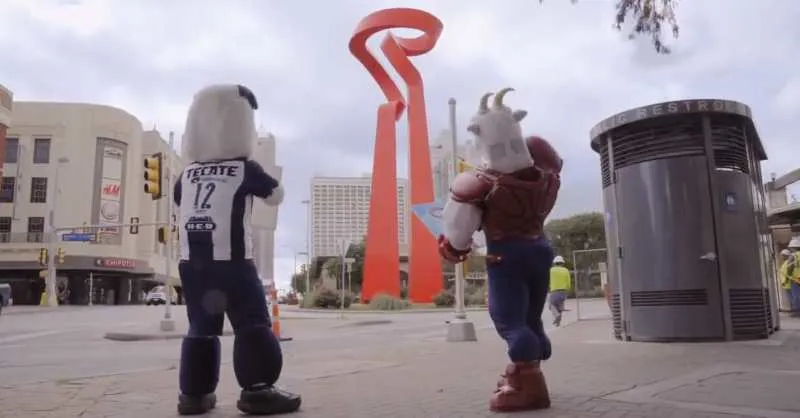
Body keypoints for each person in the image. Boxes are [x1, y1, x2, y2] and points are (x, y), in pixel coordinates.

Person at [174, 84, 301, 415]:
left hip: (192, 263)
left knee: (201, 327)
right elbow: (275, 194)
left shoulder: (186, 175)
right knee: (252, 322)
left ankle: (194, 395)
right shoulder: (244, 168)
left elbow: (178, 199)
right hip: (232, 261)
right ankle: (257, 389)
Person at [438, 88, 562, 412]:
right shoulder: (545, 174)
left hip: (506, 253)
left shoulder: (480, 183)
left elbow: (457, 234)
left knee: (508, 319)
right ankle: (527, 367)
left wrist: (454, 248)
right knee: (531, 315)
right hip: (539, 248)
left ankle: (530, 384)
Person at [548, 256, 571, 327]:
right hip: (564, 292)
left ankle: (557, 316)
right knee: (559, 307)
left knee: (551, 305)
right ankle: (558, 323)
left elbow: (547, 280)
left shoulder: (551, 270)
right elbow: (568, 282)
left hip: (555, 291)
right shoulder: (566, 270)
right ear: (562, 263)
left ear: (554, 263)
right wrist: (567, 291)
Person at [786, 238, 800, 317]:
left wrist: (789, 275)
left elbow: (788, 267)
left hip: (797, 279)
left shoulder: (793, 255)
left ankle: (798, 313)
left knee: (796, 296)